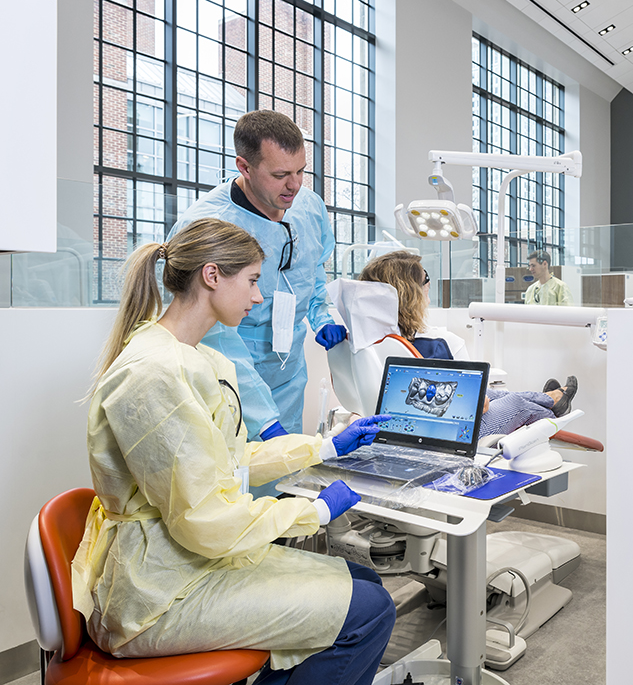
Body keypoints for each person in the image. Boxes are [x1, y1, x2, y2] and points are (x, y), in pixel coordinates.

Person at [71, 219, 394, 685]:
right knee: (370, 610)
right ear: (212, 276)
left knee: (365, 582)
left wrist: (324, 445)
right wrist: (315, 512)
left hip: (189, 560)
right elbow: (204, 518)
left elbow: (229, 458)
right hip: (158, 594)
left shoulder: (197, 358)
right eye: (253, 280)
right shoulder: (155, 372)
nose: (258, 298)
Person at [171, 111, 345, 497]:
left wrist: (321, 315)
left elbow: (313, 269)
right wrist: (262, 417)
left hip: (287, 367)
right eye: (281, 175)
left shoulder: (308, 206)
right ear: (244, 167)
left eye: (301, 171)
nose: (294, 185)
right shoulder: (209, 226)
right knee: (233, 484)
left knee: (285, 482)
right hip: (228, 376)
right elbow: (211, 334)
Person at [359, 250, 577, 436]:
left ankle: (550, 398)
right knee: (515, 405)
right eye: (425, 279)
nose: (428, 286)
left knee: (498, 394)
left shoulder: (362, 341)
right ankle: (555, 411)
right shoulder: (435, 346)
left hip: (395, 424)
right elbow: (476, 406)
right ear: (411, 293)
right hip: (449, 434)